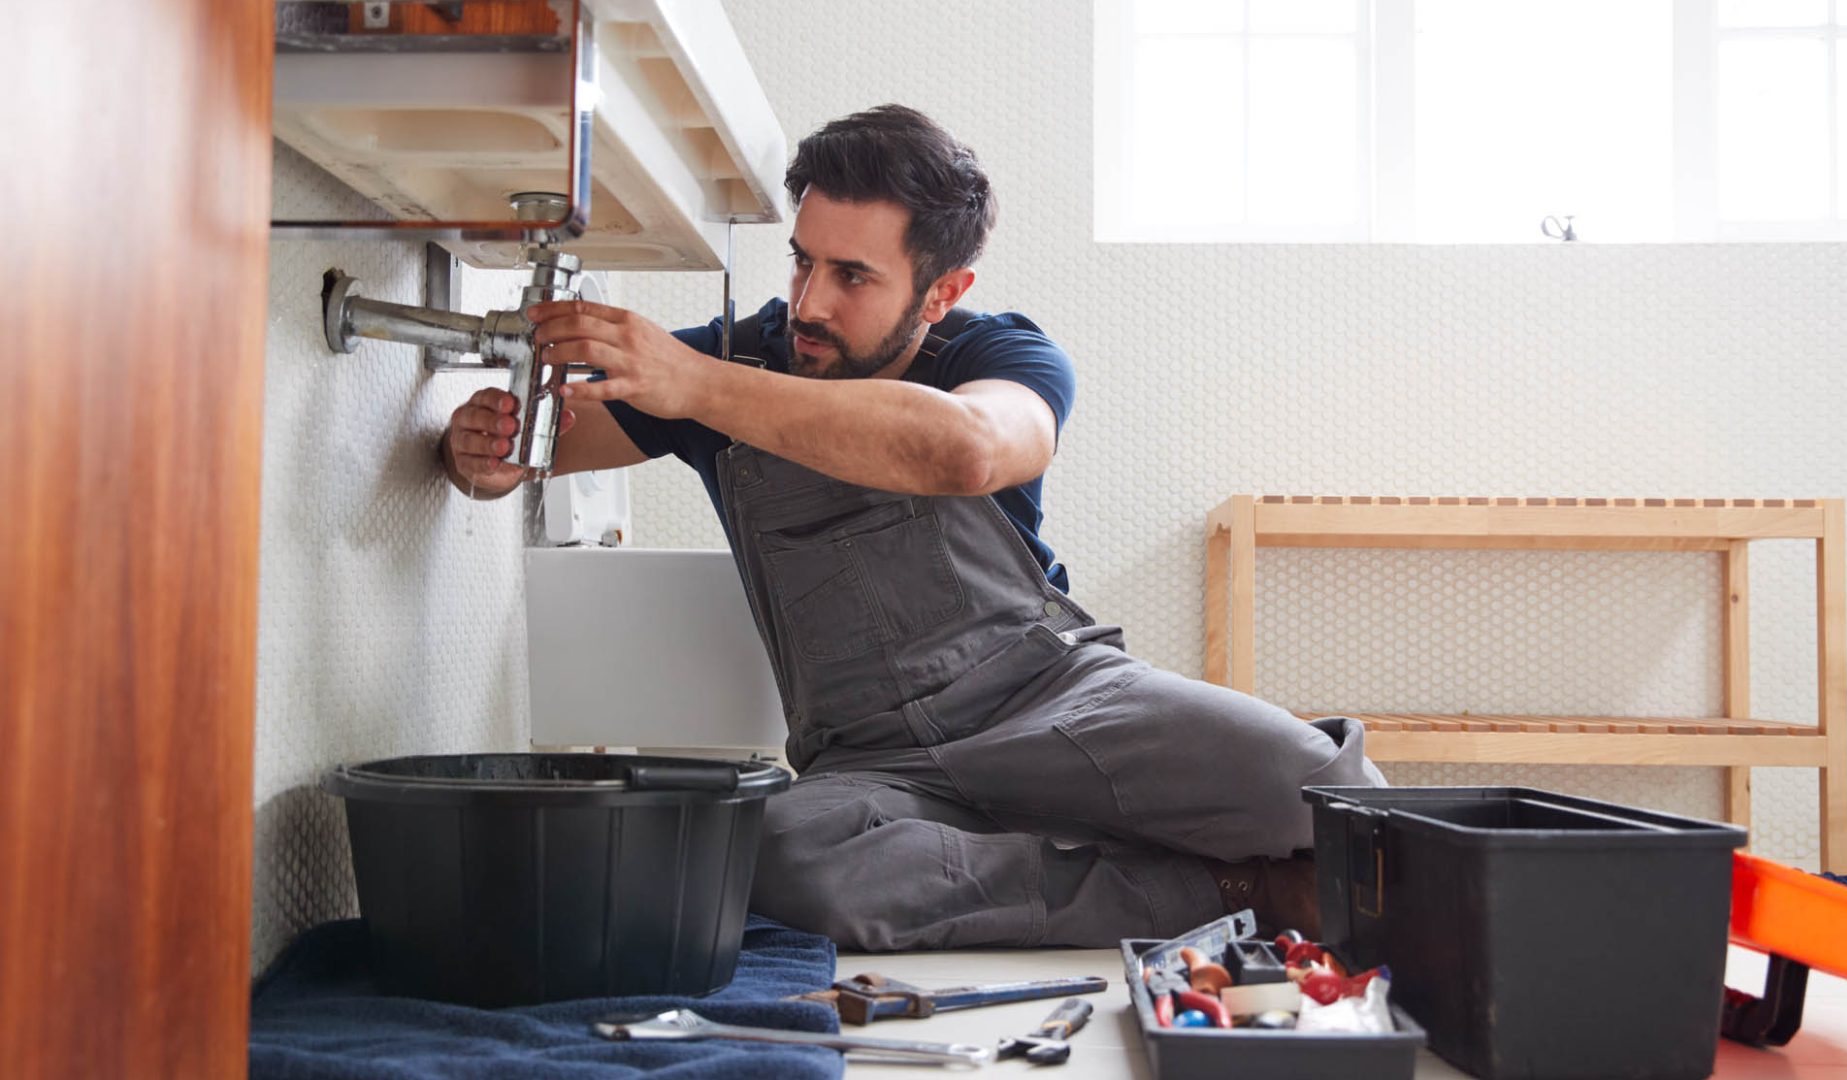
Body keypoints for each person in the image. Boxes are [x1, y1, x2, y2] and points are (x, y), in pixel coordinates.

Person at [439, 104, 1386, 951]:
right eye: (802, 260)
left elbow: (972, 448)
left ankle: (1075, 854)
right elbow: (543, 448)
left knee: (1329, 794)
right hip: (869, 757)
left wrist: (701, 385)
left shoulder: (1001, 352)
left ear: (942, 291)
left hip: (1054, 698)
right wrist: (480, 452)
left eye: (853, 275)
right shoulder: (743, 356)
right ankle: (1231, 889)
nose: (809, 304)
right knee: (774, 856)